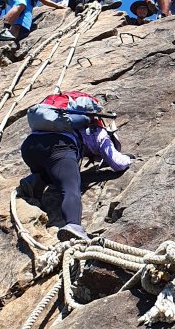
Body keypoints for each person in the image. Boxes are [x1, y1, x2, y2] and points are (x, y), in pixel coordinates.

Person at [19, 101, 132, 242]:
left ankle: (35, 180)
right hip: (59, 147)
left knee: (54, 172)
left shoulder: (60, 120)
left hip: (29, 148)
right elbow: (117, 162)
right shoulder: (97, 130)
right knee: (70, 187)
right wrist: (129, 160)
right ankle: (73, 225)